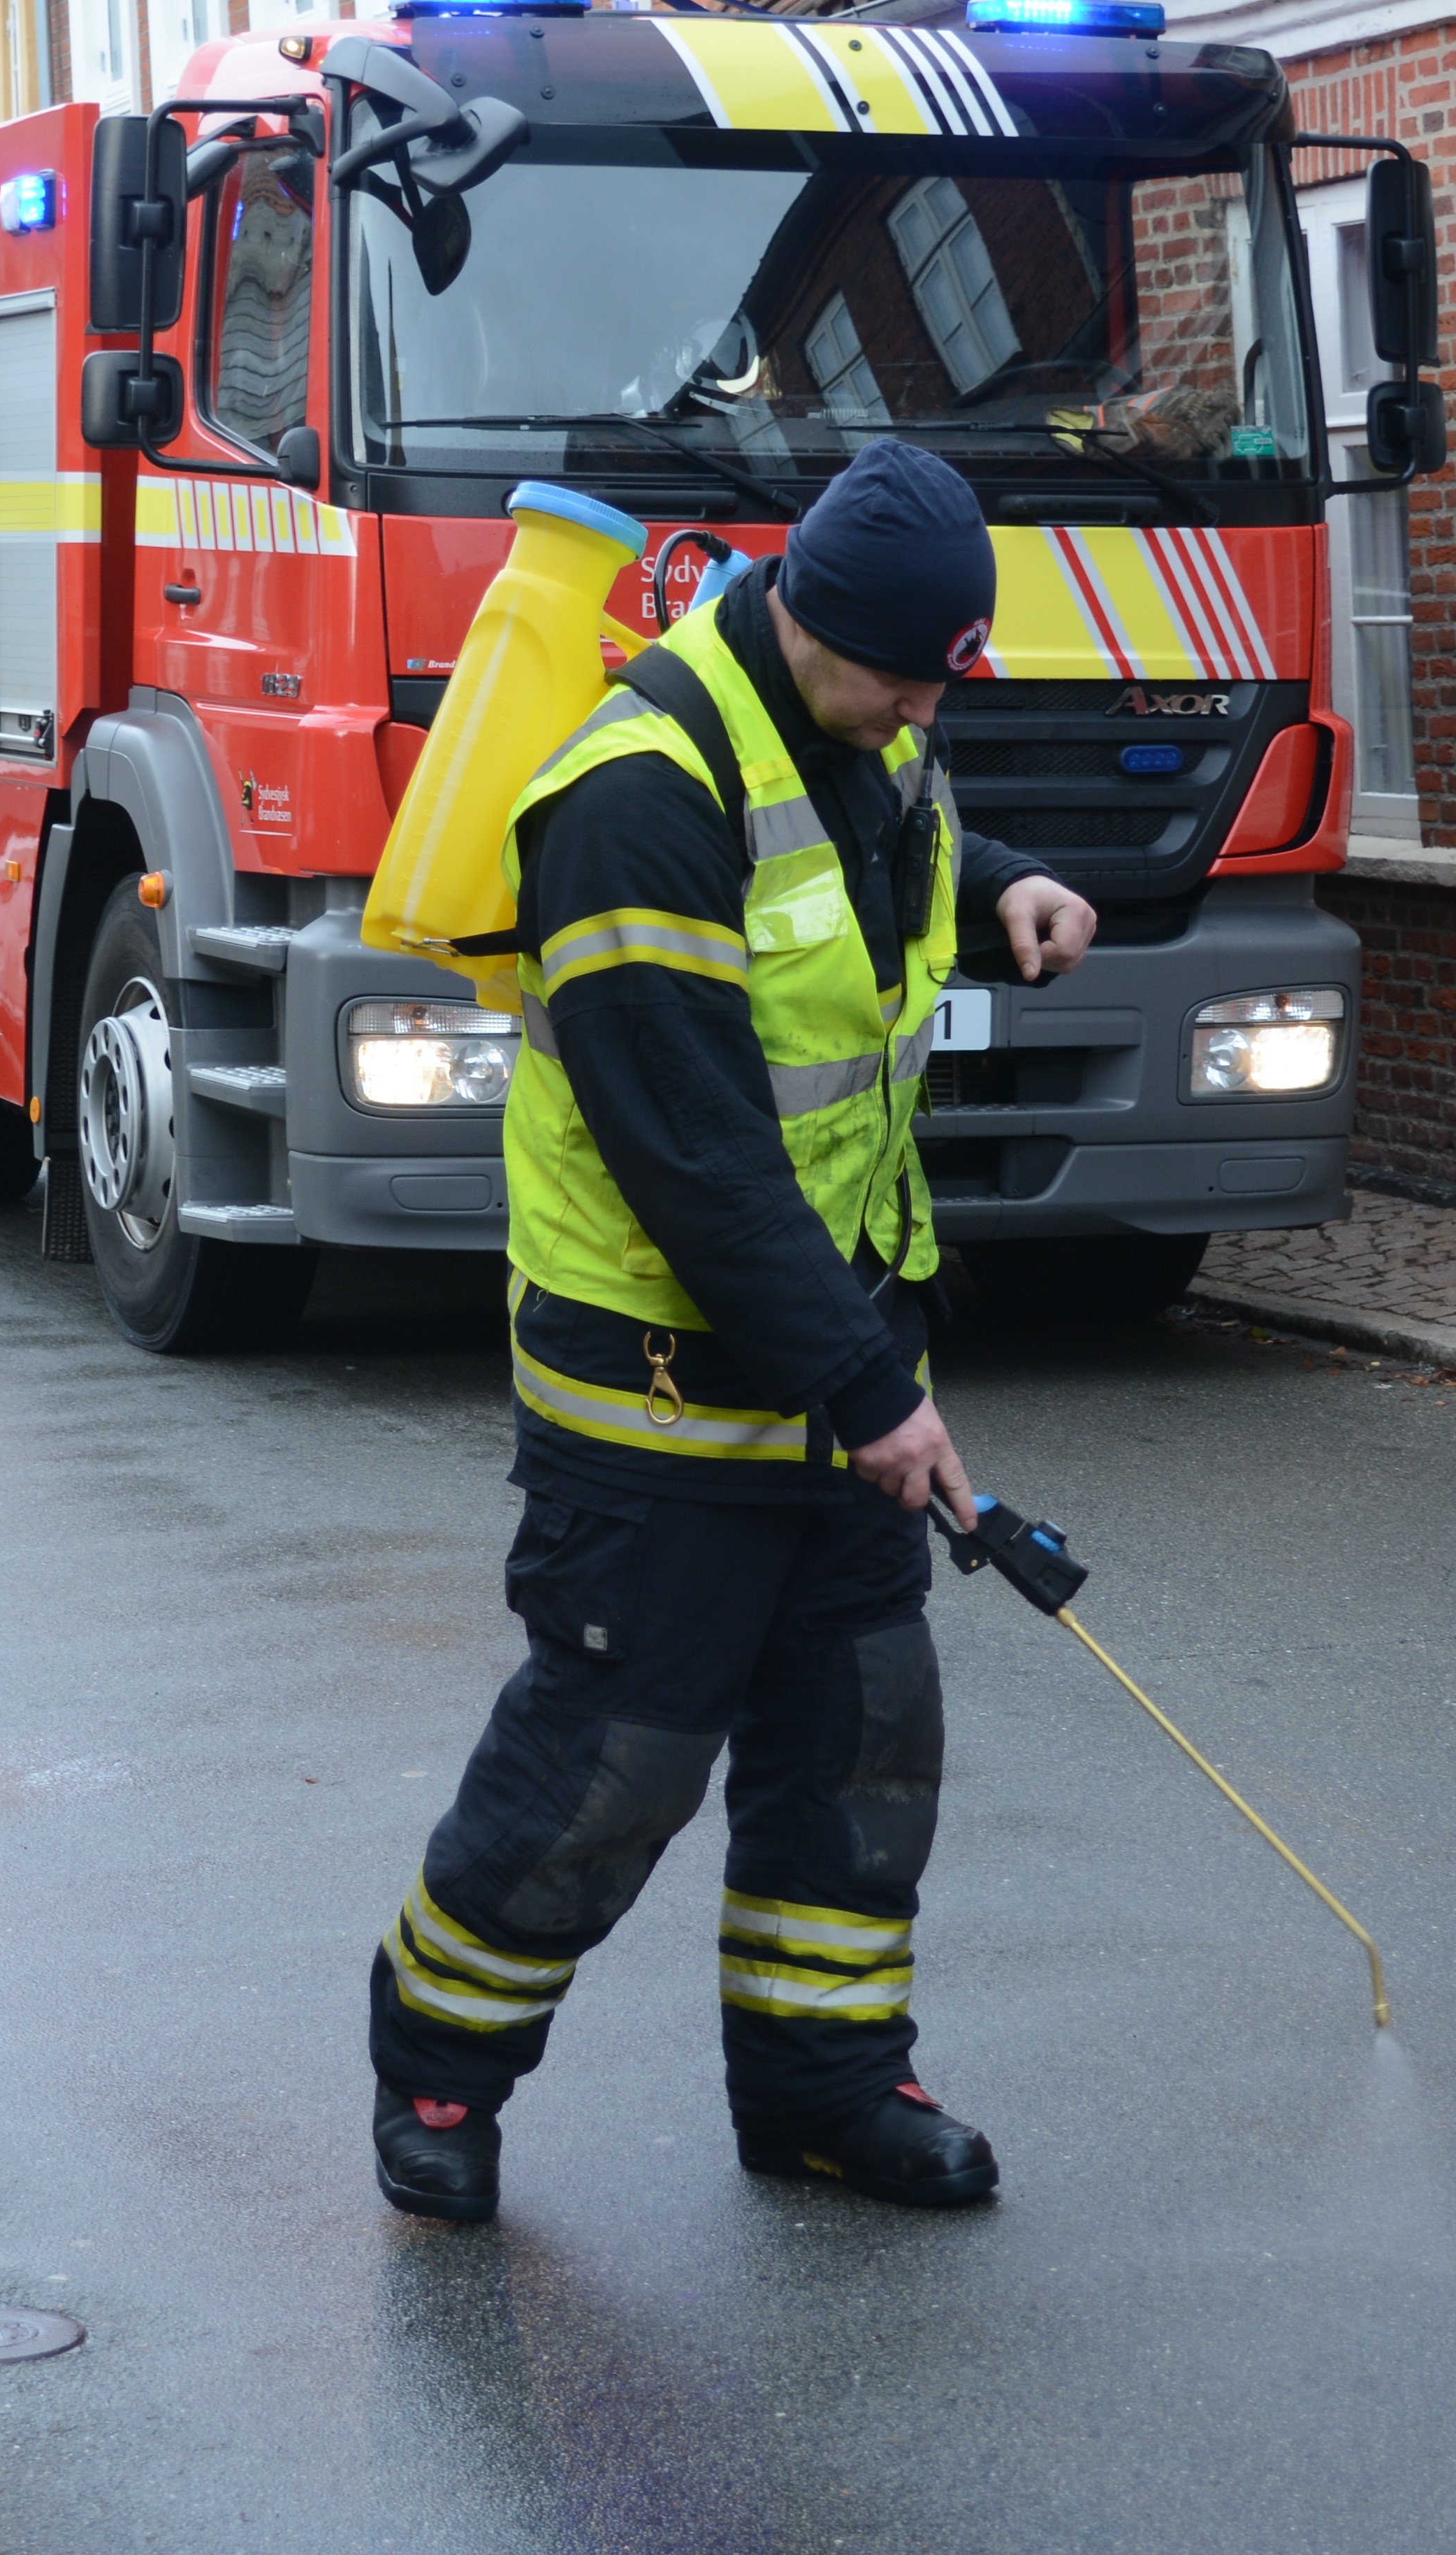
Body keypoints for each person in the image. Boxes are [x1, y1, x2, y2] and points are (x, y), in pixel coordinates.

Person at [367, 440, 1099, 2227]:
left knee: (859, 1742)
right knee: (612, 1762)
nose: (925, 710)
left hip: (839, 1353)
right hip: (660, 1394)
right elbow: (694, 1152)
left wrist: (1000, 880)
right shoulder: (634, 795)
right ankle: (440, 2067)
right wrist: (866, 1387)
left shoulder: (865, 720)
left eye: (940, 679)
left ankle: (825, 2087)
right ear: (806, 623)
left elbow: (871, 874)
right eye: (904, 677)